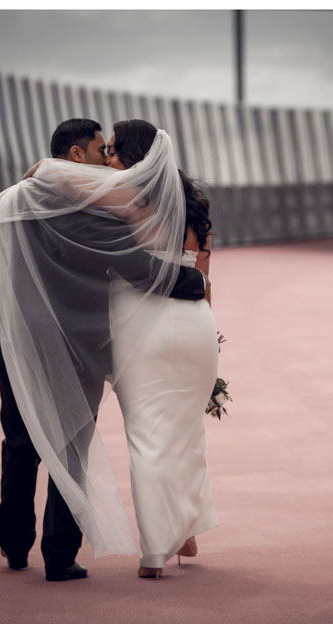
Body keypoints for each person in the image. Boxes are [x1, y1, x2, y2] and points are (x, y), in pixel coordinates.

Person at [0, 118, 208, 582]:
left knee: (19, 443)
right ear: (76, 157)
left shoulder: (14, 200)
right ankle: (59, 555)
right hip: (80, 342)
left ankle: (14, 544)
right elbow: (135, 267)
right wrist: (195, 280)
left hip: (18, 340)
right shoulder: (93, 210)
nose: (107, 163)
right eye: (101, 152)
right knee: (72, 443)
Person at [104, 120, 219, 579]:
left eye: (113, 150)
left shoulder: (123, 199)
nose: (107, 159)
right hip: (195, 325)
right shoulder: (195, 206)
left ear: (132, 156)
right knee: (186, 434)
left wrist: (39, 168)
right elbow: (207, 277)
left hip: (142, 325)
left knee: (147, 437)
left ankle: (154, 550)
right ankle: (183, 531)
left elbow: (60, 182)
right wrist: (214, 337)